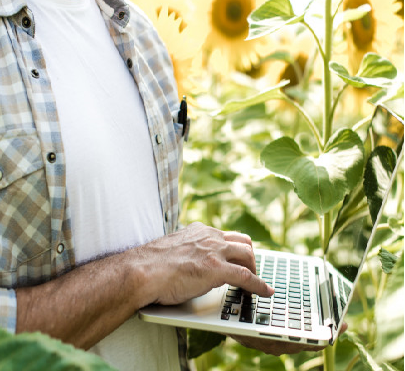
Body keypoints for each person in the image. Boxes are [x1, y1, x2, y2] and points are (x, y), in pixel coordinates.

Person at [0, 0, 342, 369]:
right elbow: (148, 266)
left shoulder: (137, 33)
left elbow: (144, 234)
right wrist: (138, 274)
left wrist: (218, 296)